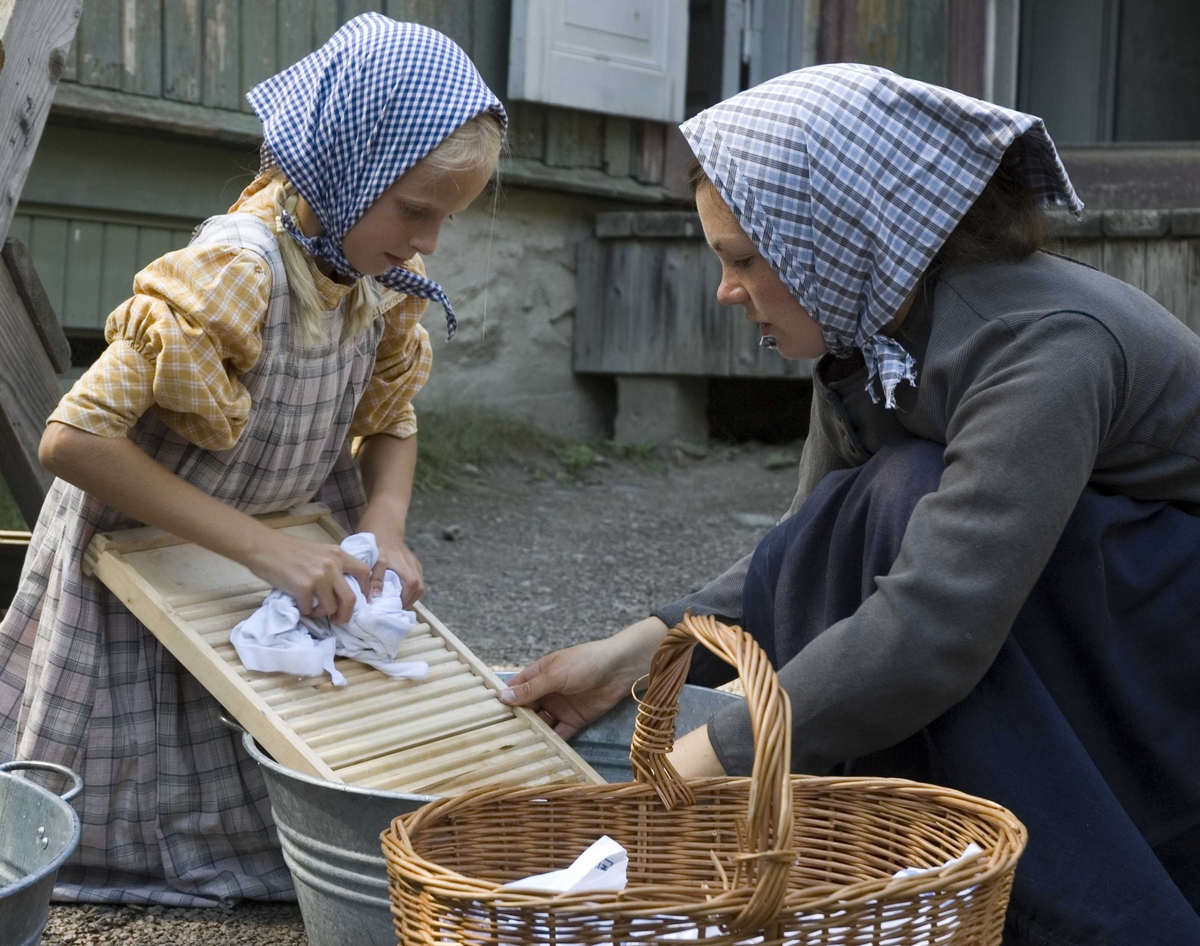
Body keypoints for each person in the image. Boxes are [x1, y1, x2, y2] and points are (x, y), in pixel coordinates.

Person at [502, 64, 1200, 944]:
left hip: (1163, 635)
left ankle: (1086, 906)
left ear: (834, 240)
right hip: (1063, 597)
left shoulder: (1042, 345)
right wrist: (642, 655)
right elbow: (805, 553)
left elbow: (937, 617)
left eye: (744, 261)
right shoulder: (869, 340)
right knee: (883, 500)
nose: (726, 290)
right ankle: (919, 871)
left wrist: (715, 757)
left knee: (905, 498)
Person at [0, 14, 505, 905]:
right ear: (347, 163)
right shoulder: (237, 270)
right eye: (416, 209)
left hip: (259, 571)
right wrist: (268, 550)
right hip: (147, 557)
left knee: (266, 764)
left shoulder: (373, 274)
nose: (428, 241)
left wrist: (383, 524)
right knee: (132, 781)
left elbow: (392, 418)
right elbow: (69, 439)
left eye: (445, 219)